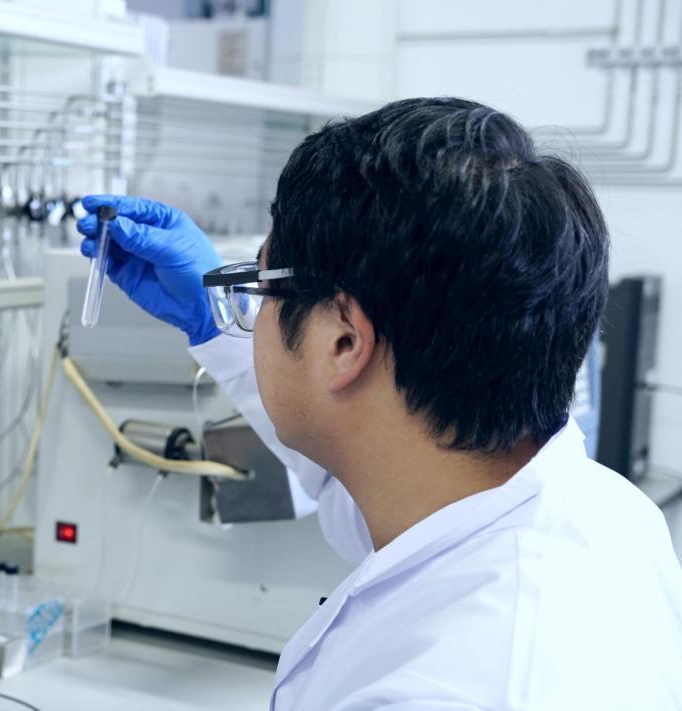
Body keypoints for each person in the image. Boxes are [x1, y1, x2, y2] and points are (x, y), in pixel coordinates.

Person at [76, 97, 682, 710]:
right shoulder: (605, 512)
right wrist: (213, 320)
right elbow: (352, 481)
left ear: (344, 342)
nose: (250, 315)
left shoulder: (447, 689)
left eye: (259, 290)